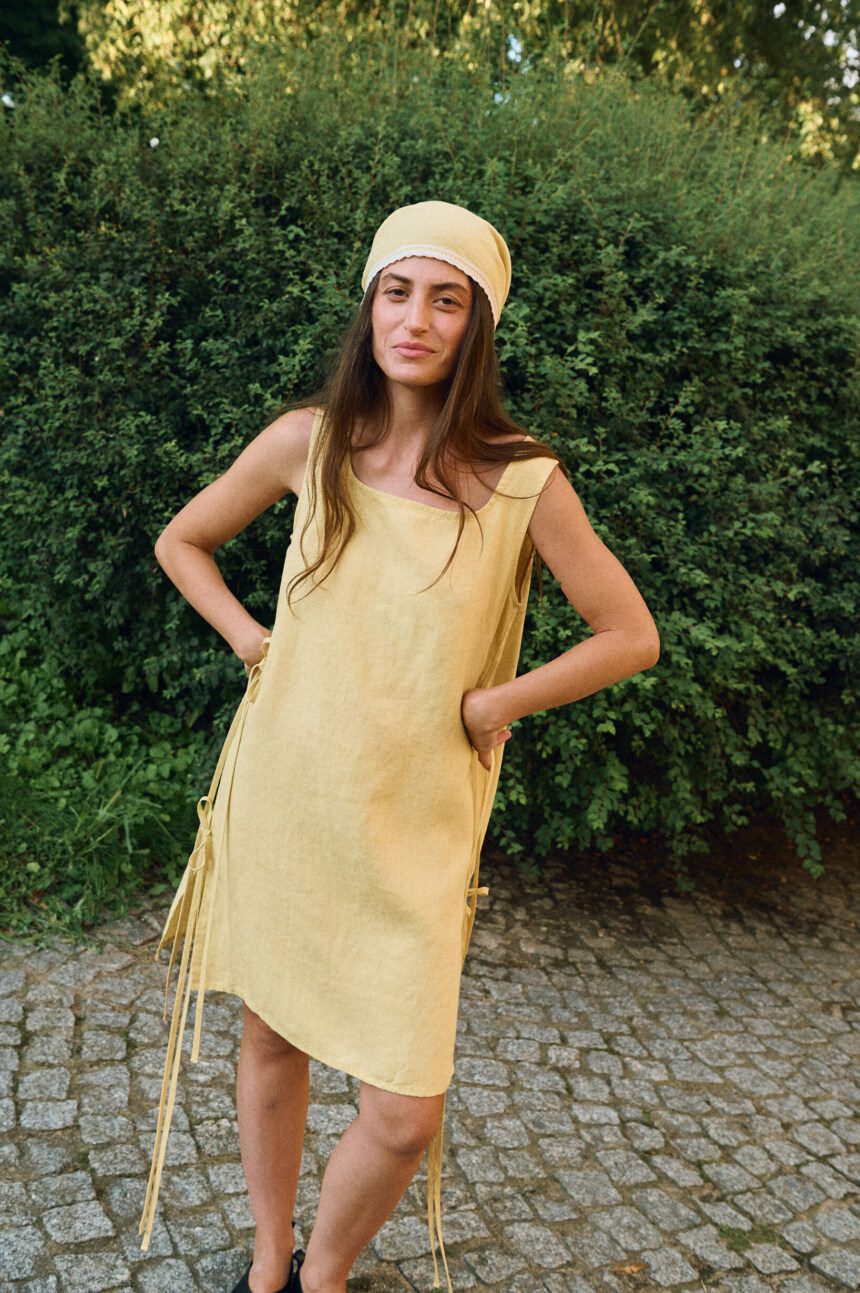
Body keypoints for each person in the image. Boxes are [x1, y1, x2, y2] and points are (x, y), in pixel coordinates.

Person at [137, 199, 660, 1293]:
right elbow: (182, 539)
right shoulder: (306, 442)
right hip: (286, 796)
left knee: (403, 1110)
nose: (414, 318)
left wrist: (490, 705)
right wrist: (248, 637)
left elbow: (628, 635)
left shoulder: (521, 480)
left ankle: (326, 1272)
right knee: (271, 1041)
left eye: (445, 298)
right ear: (369, 305)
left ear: (475, 326)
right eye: (395, 291)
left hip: (413, 831)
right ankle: (270, 1266)